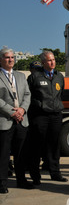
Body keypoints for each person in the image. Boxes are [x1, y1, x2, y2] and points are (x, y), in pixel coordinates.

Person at [27, 51, 67, 185]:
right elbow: (28, 96)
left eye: (53, 60)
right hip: (40, 116)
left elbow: (60, 93)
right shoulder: (35, 77)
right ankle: (35, 175)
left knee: (54, 145)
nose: (52, 62)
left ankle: (55, 173)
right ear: (43, 62)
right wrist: (39, 106)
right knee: (37, 146)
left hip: (55, 115)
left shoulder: (59, 76)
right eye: (49, 60)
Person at [0, 47, 32, 193]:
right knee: (3, 154)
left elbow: (27, 94)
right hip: (5, 120)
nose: (11, 59)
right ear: (1, 59)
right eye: (7, 57)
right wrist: (12, 112)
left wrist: (22, 110)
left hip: (22, 120)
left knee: (21, 153)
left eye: (12, 57)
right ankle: (2, 183)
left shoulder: (20, 76)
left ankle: (21, 180)